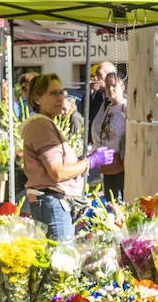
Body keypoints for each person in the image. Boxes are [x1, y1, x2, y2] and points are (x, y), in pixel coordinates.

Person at [20, 72, 114, 240]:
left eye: (61, 93)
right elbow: (57, 173)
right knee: (61, 261)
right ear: (37, 98)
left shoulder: (45, 123)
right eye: (53, 93)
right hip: (52, 204)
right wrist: (90, 162)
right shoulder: (41, 126)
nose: (60, 98)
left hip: (53, 203)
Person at [88, 72, 126, 201]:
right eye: (108, 86)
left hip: (121, 161)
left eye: (114, 85)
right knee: (110, 201)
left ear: (122, 87)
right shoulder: (109, 107)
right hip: (108, 162)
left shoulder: (126, 107)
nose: (110, 89)